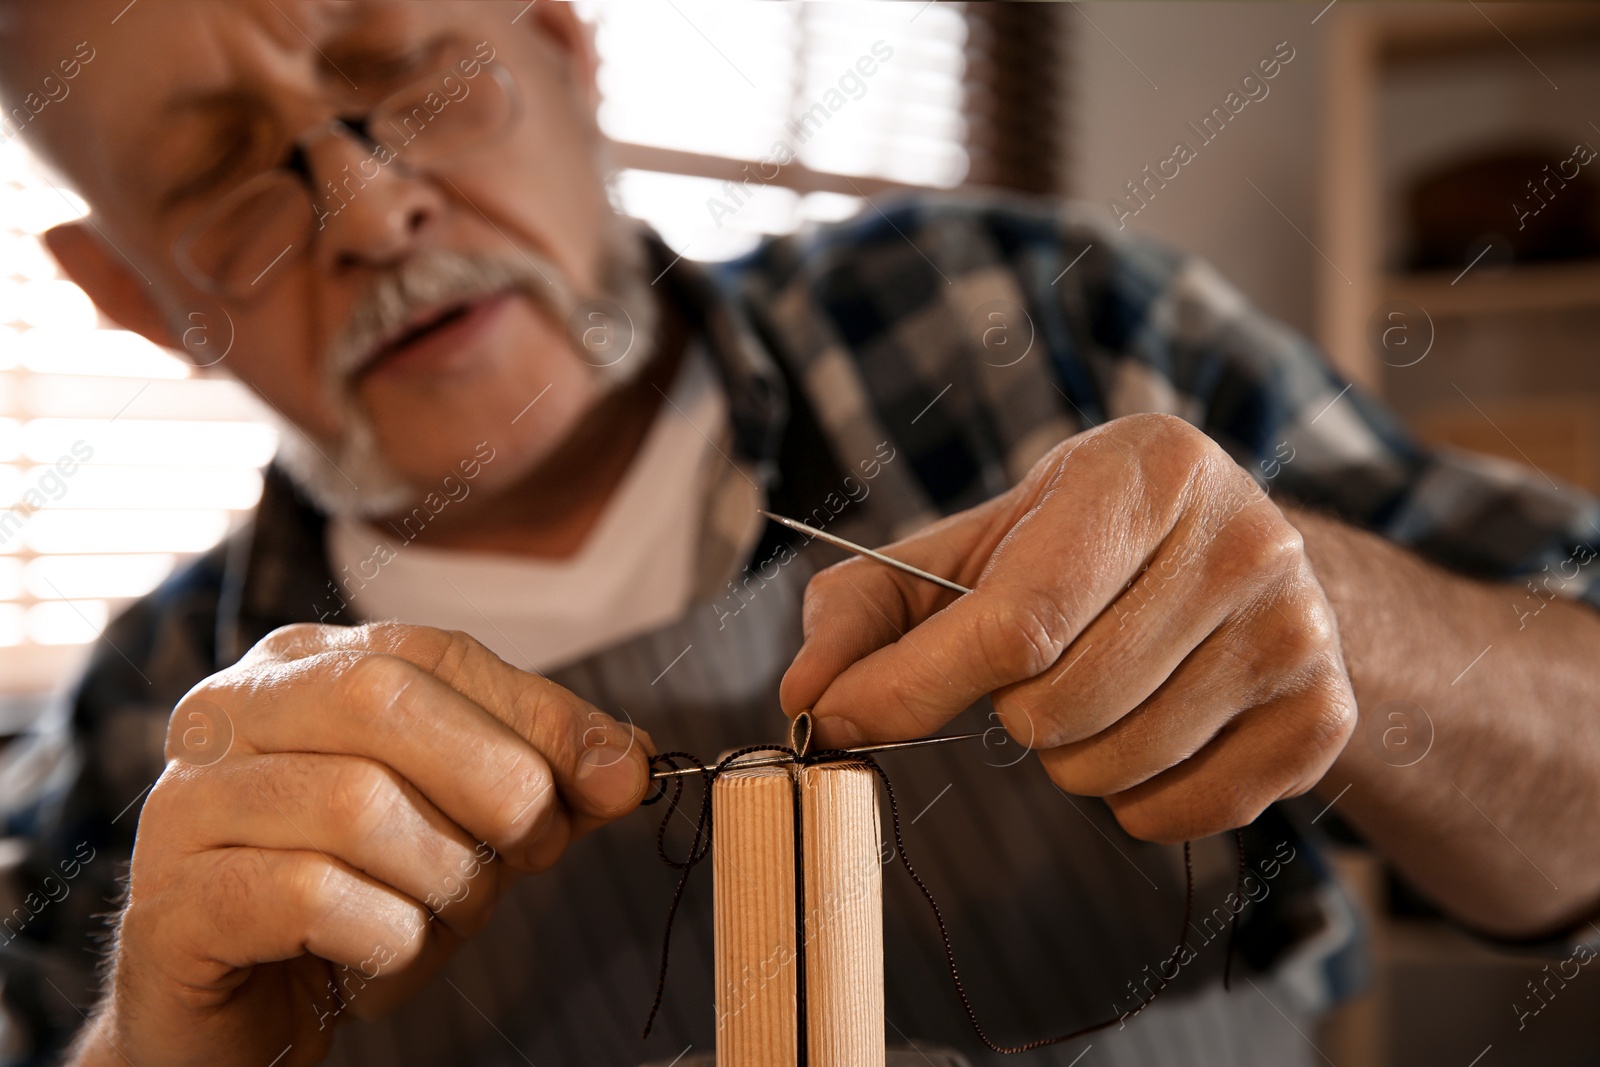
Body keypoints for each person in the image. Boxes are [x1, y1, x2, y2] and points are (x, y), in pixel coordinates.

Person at [1, 2, 1598, 1065]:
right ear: (137, 295)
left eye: (399, 68)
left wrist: (1356, 633)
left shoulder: (1034, 330)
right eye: (223, 177)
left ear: (562, 46)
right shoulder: (153, 732)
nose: (368, 211)